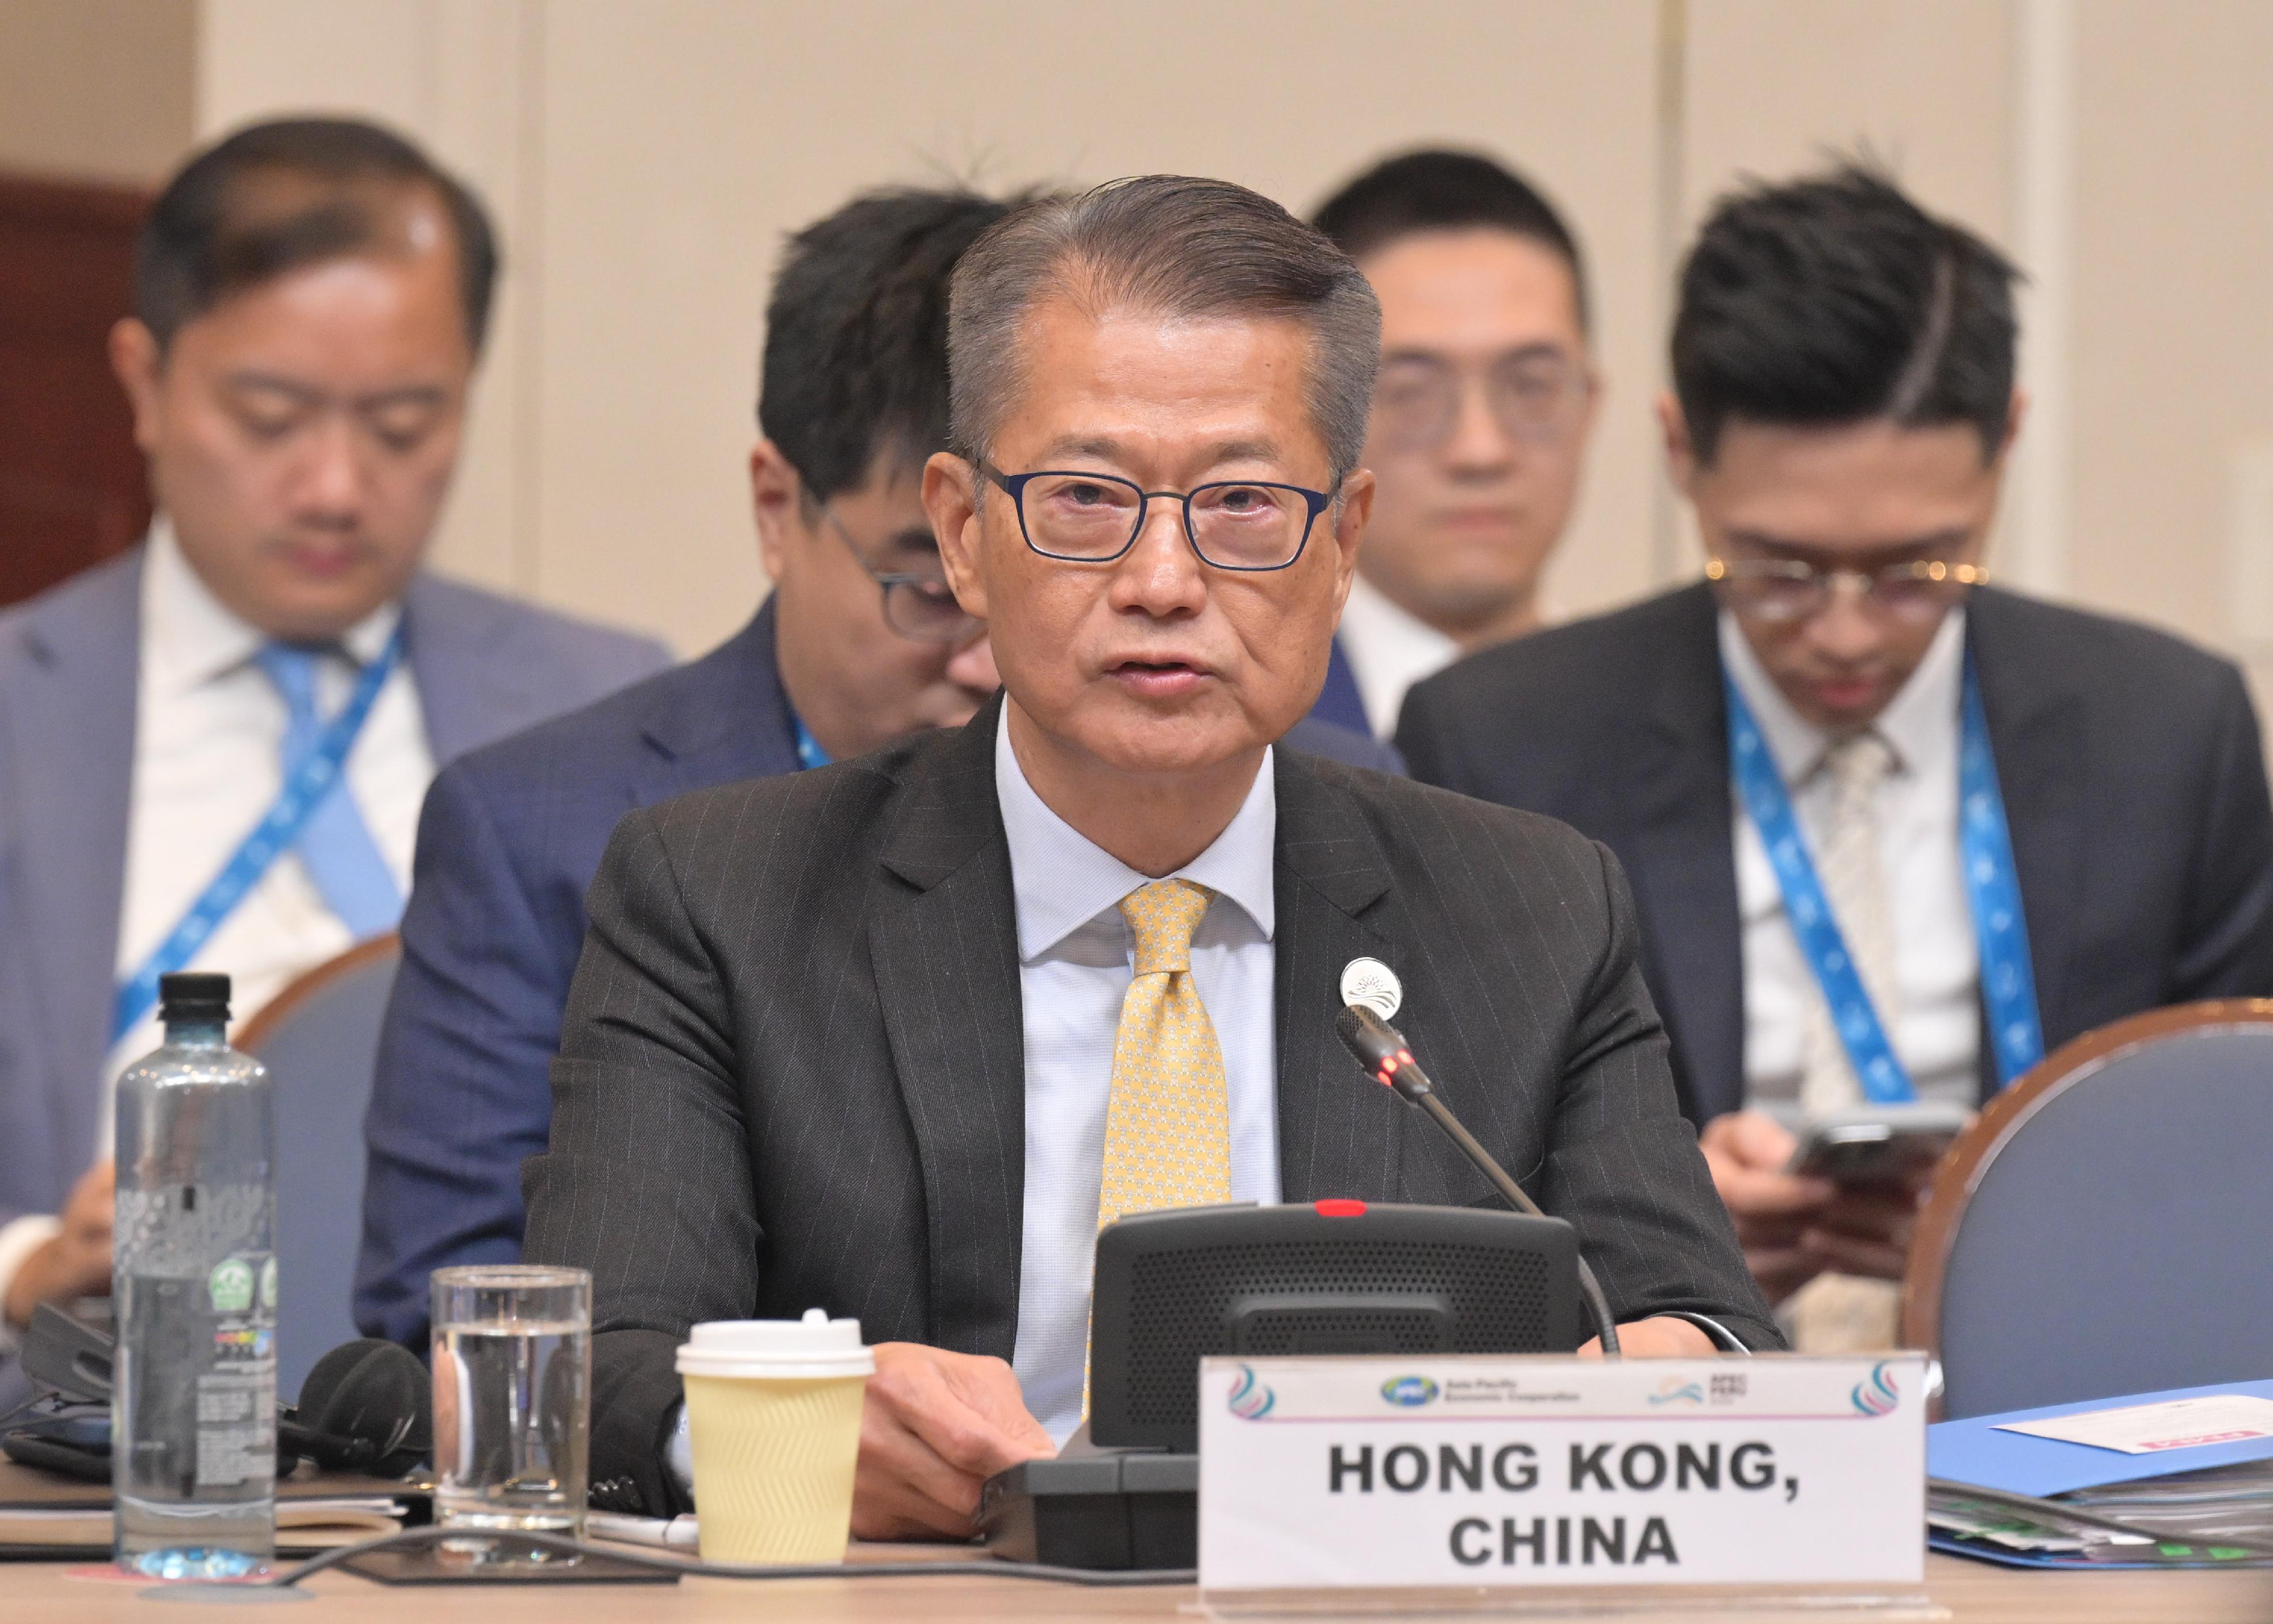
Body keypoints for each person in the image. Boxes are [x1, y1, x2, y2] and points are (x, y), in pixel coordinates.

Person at [522, 175, 1777, 1535]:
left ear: (1341, 538)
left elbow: (1708, 1326)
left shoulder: (1529, 908)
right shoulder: (719, 898)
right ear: (960, 530)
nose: (1164, 580)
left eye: (1242, 504)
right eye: (1084, 498)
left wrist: (1661, 1381)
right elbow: (596, 1372)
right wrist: (786, 1428)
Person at [354, 186, 1398, 1353]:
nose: (981, 646)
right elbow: (469, 1337)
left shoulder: (1359, 825)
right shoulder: (597, 842)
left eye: (1233, 504)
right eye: (1074, 514)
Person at [1398, 165, 2273, 1339]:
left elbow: (2229, 1173)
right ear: (1677, 453)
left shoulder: (2164, 732)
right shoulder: (1502, 741)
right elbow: (1441, 1187)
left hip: (2043, 1420)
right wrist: (1662, 1239)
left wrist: (2020, 1234)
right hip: (1673, 1434)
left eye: (1919, 569)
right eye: (1777, 571)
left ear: (2002, 443)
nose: (1847, 631)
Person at [0, 117, 668, 1370]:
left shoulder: (615, 704)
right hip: (80, 1438)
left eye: (405, 425)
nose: (334, 488)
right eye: (270, 416)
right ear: (144, 383)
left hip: (503, 1435)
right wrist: (22, 1261)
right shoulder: (18, 713)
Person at [1302, 149, 1598, 738]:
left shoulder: (1656, 723)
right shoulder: (1253, 742)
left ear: (1590, 405)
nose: (1479, 450)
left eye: (1529, 386)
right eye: (1411, 392)